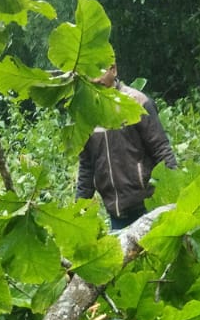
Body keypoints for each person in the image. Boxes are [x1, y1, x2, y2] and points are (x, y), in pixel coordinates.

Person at [76, 64, 177, 231]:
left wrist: (176, 194)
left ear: (113, 70)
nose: (95, 78)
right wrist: (79, 210)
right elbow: (87, 167)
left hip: (147, 208)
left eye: (100, 70)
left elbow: (161, 149)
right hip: (116, 215)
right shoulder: (87, 113)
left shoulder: (136, 102)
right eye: (90, 72)